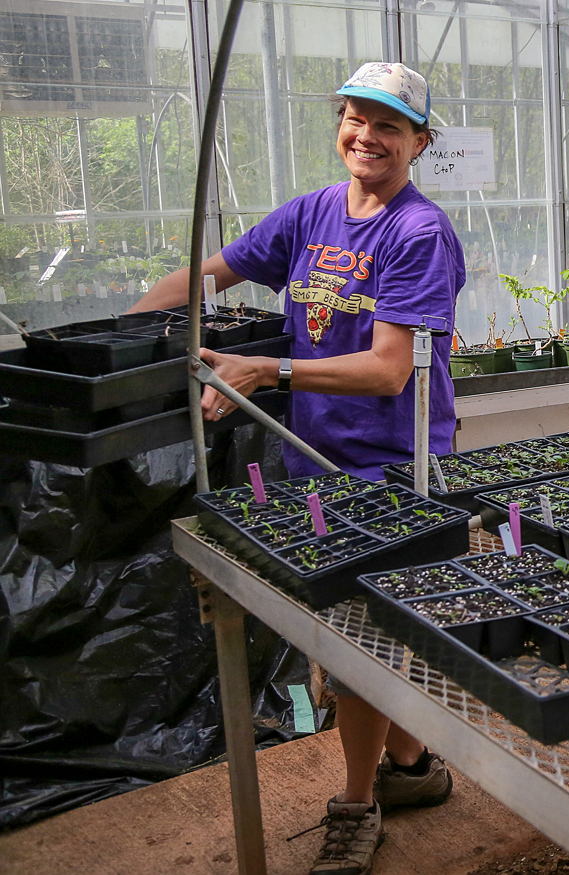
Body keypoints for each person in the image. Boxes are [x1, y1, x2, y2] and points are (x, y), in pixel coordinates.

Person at [133, 62, 466, 875]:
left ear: (419, 142)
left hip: (393, 466)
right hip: (315, 459)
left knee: (359, 643)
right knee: (381, 634)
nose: (367, 136)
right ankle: (415, 768)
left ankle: (356, 804)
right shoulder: (314, 212)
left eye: (390, 125)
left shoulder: (418, 232)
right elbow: (214, 271)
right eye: (356, 117)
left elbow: (390, 370)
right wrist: (132, 321)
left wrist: (264, 372)